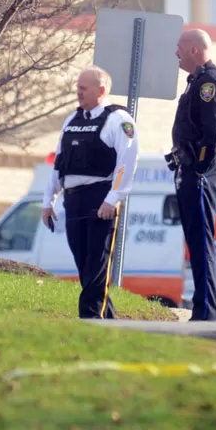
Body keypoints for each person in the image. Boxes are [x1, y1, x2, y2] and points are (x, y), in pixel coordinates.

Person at [41, 66, 139, 320]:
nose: (78, 92)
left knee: (97, 263)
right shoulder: (71, 121)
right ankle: (110, 322)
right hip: (73, 201)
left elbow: (126, 163)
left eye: (83, 88)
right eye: (78, 87)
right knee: (84, 265)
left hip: (100, 201)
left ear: (102, 90)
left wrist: (112, 199)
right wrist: (47, 201)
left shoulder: (118, 120)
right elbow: (59, 163)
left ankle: (89, 320)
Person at [168, 28, 216, 321]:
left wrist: (198, 168)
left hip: (201, 171)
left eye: (180, 47)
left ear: (195, 50)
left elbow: (215, 133)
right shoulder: (196, 81)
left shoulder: (209, 82)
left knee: (200, 242)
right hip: (193, 169)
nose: (176, 53)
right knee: (200, 241)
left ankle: (205, 311)